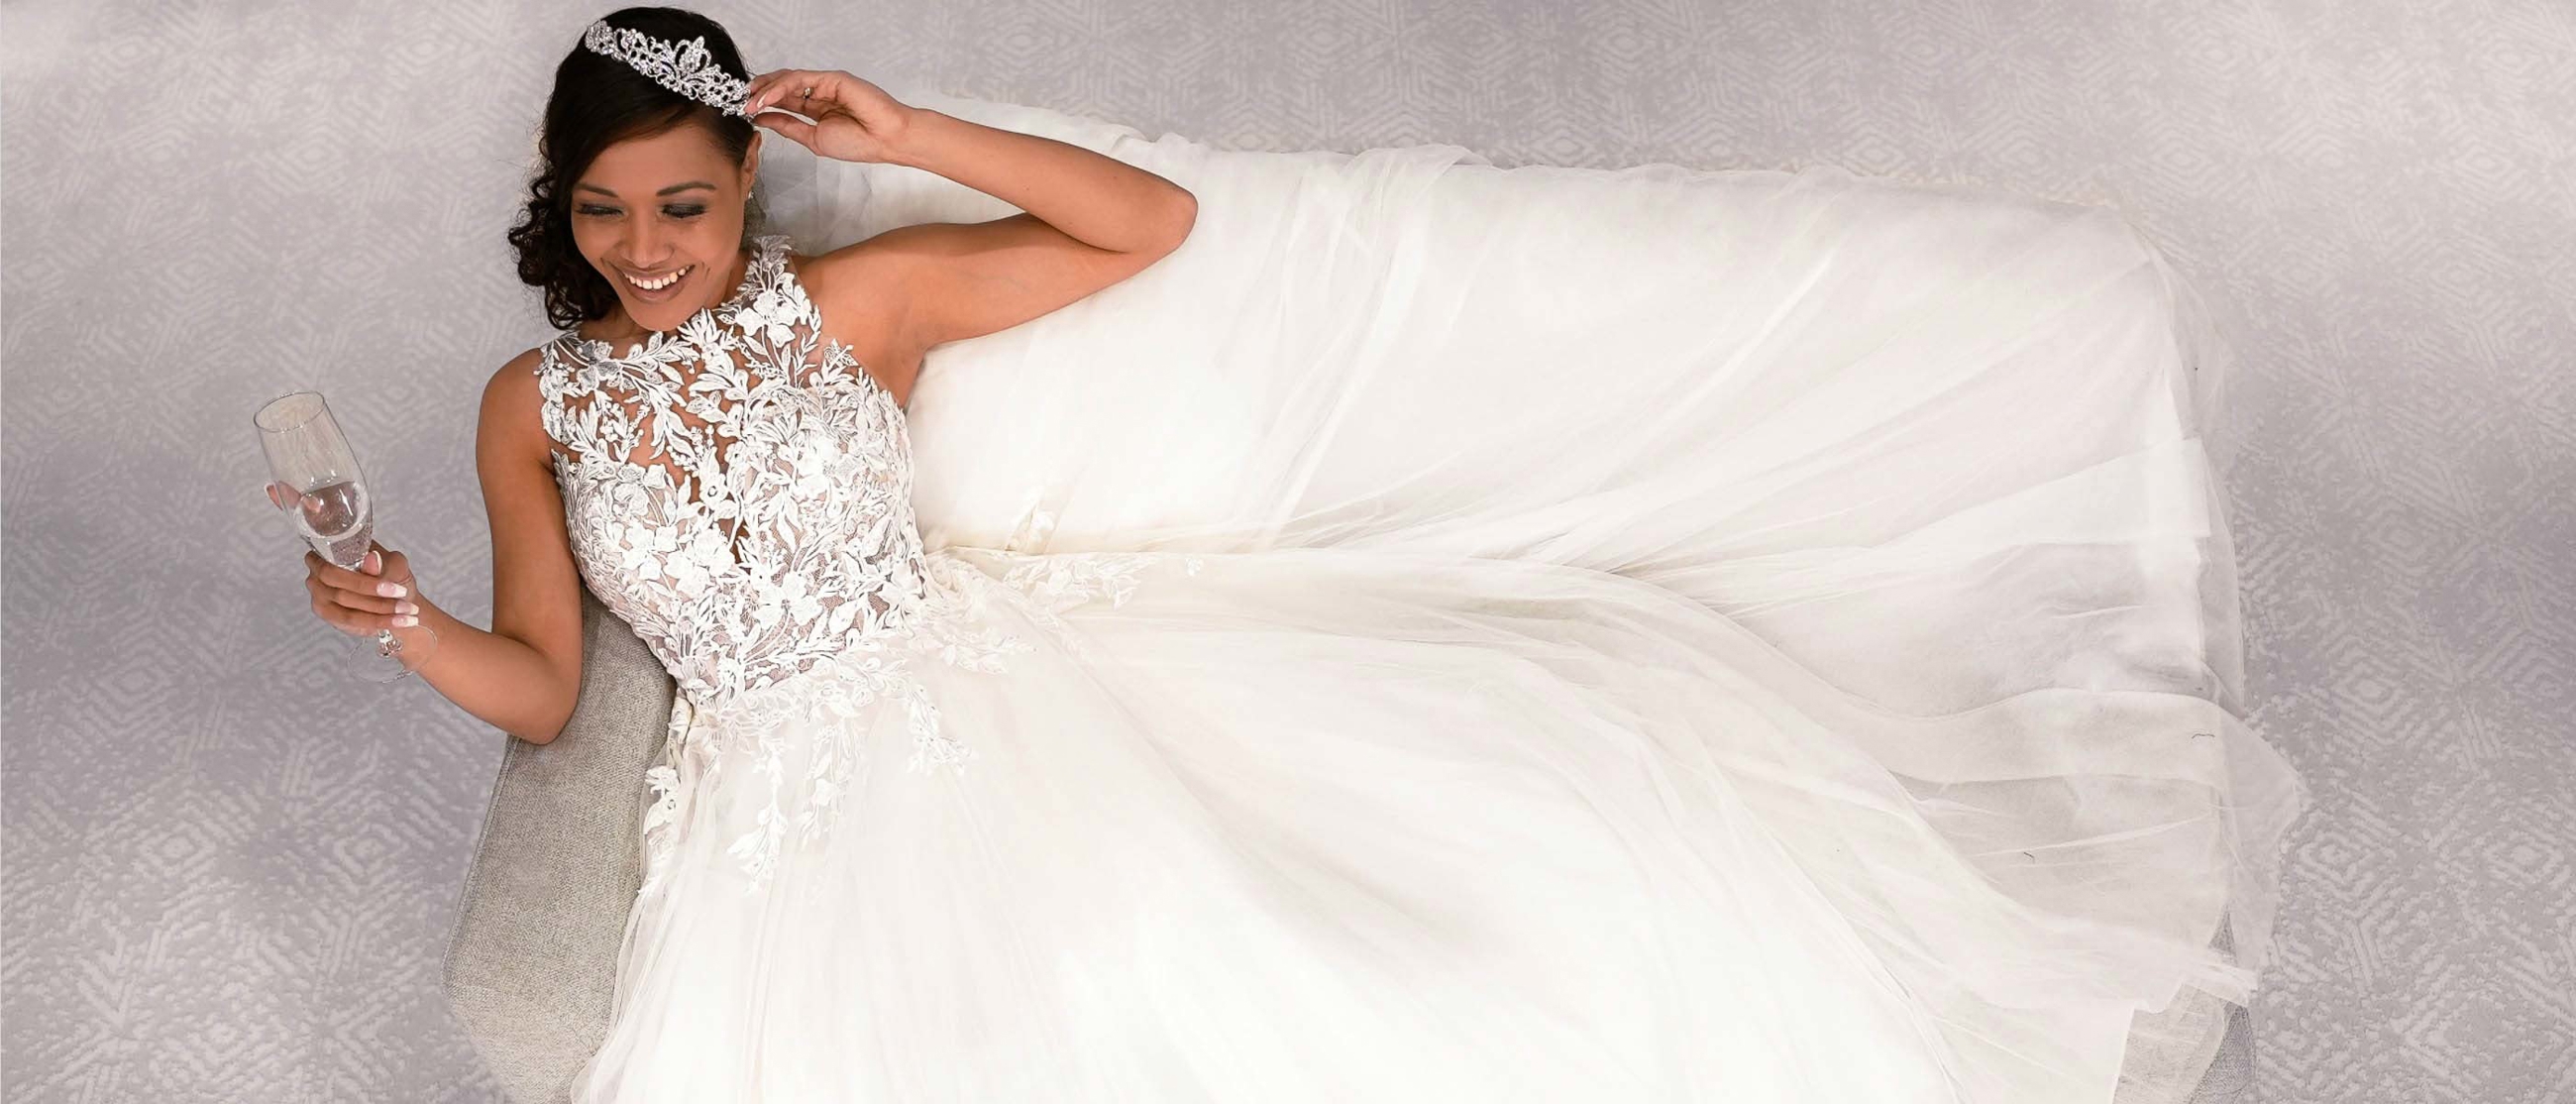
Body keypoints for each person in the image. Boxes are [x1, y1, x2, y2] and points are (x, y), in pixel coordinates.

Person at [292, 7, 2306, 1101]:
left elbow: (1138, 231)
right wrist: (405, 625)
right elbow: (549, 685)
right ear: (559, 210)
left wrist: (915, 132)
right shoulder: (529, 406)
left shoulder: (850, 307)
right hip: (773, 809)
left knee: (1366, 927)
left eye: (689, 207)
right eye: (608, 213)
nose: (647, 252)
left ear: (746, 196)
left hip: (987, 696)